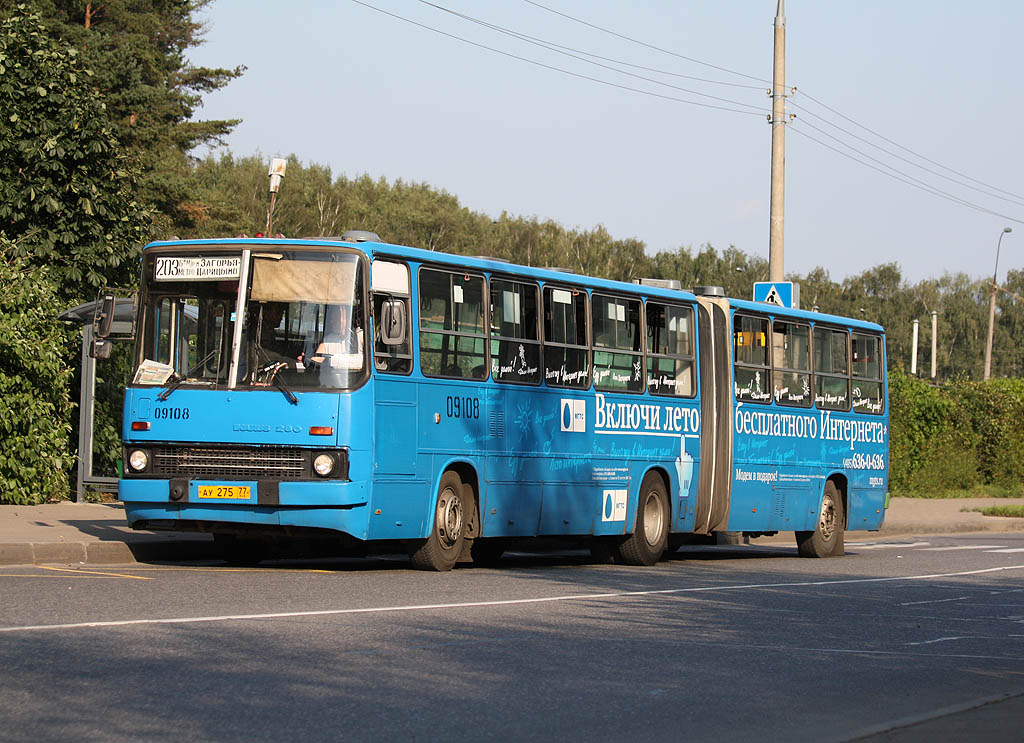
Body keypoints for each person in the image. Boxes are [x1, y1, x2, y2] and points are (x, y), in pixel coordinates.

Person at [307, 303, 363, 386]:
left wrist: (330, 360)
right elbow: (316, 359)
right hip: (330, 385)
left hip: (355, 384)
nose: (333, 320)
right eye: (332, 317)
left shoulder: (361, 336)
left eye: (337, 316)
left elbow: (364, 362)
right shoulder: (328, 339)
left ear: (347, 317)